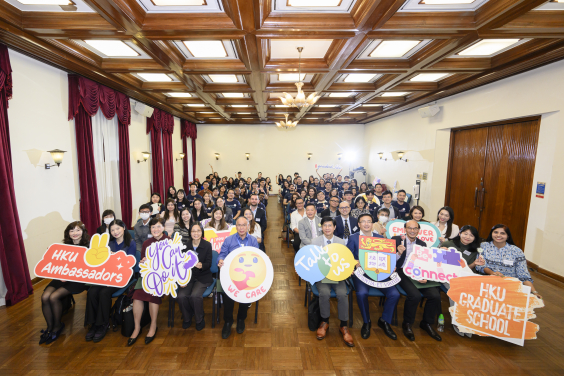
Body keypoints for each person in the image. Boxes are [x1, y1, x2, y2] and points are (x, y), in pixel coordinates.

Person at [346, 213, 399, 340]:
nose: (366, 224)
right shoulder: (353, 238)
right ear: (359, 224)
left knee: (395, 294)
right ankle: (366, 321)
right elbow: (348, 257)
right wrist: (355, 263)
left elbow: (387, 256)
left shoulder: (380, 237)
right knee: (361, 293)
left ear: (372, 223)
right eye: (363, 221)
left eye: (369, 221)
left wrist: (391, 265)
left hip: (380, 273)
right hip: (362, 274)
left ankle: (384, 321)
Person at [85, 219, 136, 342]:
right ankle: (93, 324)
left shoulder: (131, 243)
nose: (115, 232)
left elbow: (130, 264)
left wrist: (116, 258)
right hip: (107, 275)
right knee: (92, 291)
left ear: (123, 228)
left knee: (104, 293)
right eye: (112, 230)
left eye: (118, 228)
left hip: (122, 276)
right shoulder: (108, 243)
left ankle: (103, 324)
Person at [40, 221, 90, 345]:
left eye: (78, 230)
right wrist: (51, 254)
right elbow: (57, 265)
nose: (75, 233)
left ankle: (57, 327)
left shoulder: (89, 247)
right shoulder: (64, 246)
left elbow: (87, 269)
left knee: (54, 297)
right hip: (61, 277)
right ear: (68, 233)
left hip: (78, 280)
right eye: (71, 230)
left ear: (83, 232)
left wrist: (69, 276)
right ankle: (50, 327)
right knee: (45, 296)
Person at [393, 220, 442, 342]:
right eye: (410, 228)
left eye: (415, 228)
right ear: (405, 229)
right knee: (414, 295)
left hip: (417, 272)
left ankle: (426, 323)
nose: (412, 230)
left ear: (419, 230)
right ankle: (407, 324)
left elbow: (424, 263)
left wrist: (424, 274)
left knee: (435, 295)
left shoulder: (422, 244)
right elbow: (388, 261)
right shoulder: (396, 240)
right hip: (401, 271)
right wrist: (398, 253)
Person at [312, 217, 353, 347]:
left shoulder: (341, 242)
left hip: (337, 275)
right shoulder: (315, 241)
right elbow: (311, 261)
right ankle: (324, 321)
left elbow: (345, 259)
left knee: (342, 294)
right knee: (324, 293)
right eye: (325, 225)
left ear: (334, 227)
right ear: (322, 227)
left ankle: (343, 325)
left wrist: (349, 268)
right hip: (321, 276)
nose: (327, 228)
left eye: (330, 225)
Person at [439, 225, 485, 337]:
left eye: (471, 235)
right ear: (459, 234)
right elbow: (436, 262)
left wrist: (475, 264)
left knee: (471, 292)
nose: (468, 237)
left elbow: (466, 268)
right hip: (446, 276)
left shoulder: (474, 251)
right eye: (465, 234)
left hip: (463, 277)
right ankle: (457, 321)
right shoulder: (448, 244)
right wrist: (440, 251)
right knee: (456, 290)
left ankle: (468, 322)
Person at [218, 217, 260, 339]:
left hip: (248, 277)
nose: (241, 228)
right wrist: (220, 260)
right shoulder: (229, 240)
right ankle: (228, 321)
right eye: (239, 225)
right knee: (228, 298)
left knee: (245, 297)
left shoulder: (252, 240)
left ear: (248, 226)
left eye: (243, 225)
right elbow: (222, 254)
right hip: (231, 276)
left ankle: (241, 319)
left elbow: (256, 257)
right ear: (235, 227)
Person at [128, 218, 168, 346]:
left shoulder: (169, 241)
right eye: (153, 227)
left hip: (164, 277)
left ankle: (153, 325)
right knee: (137, 296)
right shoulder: (146, 243)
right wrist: (142, 263)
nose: (155, 229)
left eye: (158, 226)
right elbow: (145, 262)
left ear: (163, 228)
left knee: (152, 295)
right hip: (149, 276)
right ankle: (137, 327)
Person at [475, 224, 542, 300]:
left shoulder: (516, 251)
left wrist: (534, 292)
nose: (498, 235)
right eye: (495, 232)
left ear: (508, 236)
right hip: (487, 285)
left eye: (502, 233)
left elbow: (523, 275)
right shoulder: (483, 246)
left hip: (509, 288)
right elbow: (480, 265)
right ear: (491, 234)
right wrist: (492, 273)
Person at [177, 223, 213, 331]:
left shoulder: (207, 245)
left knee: (195, 295)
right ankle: (187, 318)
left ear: (202, 232)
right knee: (181, 296)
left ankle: (199, 319)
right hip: (189, 276)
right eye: (193, 231)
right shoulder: (185, 246)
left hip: (203, 276)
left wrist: (202, 265)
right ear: (190, 233)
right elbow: (180, 265)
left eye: (198, 231)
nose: (196, 233)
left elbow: (209, 263)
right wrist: (181, 280)